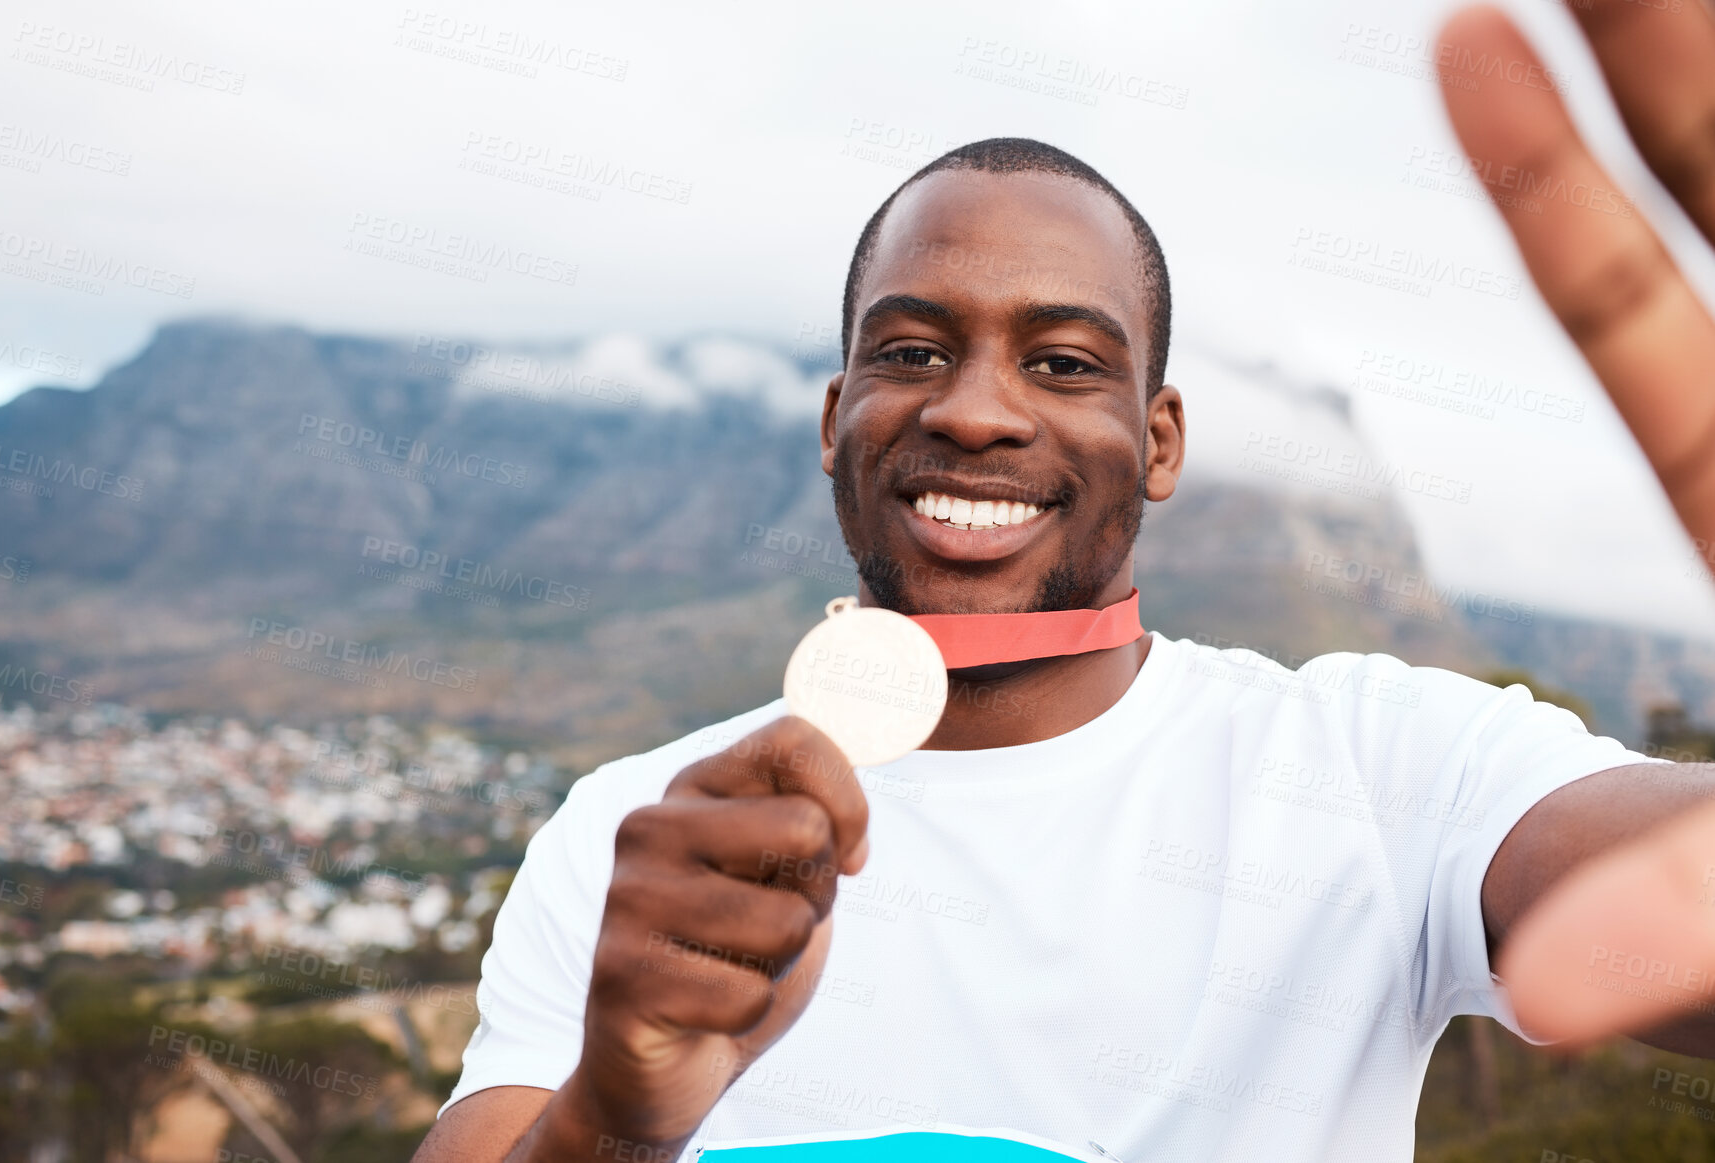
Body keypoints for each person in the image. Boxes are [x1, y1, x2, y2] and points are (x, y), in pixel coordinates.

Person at [413, 3, 1715, 1159]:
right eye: (914, 350)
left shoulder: (1388, 770)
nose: (975, 411)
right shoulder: (632, 838)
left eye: (1067, 363)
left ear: (1159, 442)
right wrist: (613, 1121)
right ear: (834, 419)